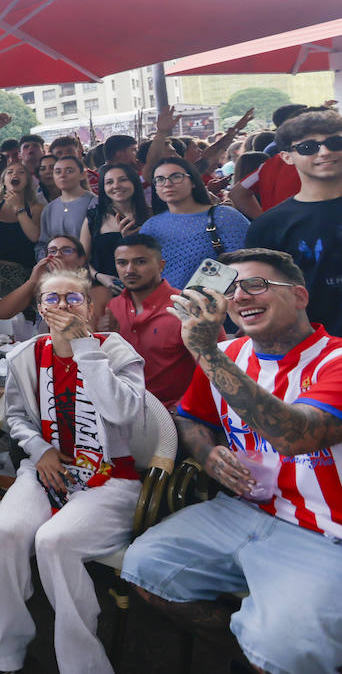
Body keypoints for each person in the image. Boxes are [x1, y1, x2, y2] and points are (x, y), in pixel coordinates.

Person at [121, 248, 342, 674]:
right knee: (144, 568)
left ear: (300, 296)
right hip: (240, 510)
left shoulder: (334, 359)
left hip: (325, 531)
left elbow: (295, 435)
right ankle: (247, 652)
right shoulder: (234, 354)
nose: (239, 296)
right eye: (231, 288)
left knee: (290, 650)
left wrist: (208, 351)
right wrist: (207, 454)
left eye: (256, 285)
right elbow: (188, 417)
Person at [0, 270, 146, 674]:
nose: (63, 306)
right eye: (52, 299)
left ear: (91, 307)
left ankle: (83, 665)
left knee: (53, 541)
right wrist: (41, 450)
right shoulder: (26, 355)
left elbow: (123, 411)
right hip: (48, 470)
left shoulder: (115, 350)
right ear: (40, 309)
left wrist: (85, 347)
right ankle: (1, 647)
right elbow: (16, 417)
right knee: (9, 532)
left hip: (110, 478)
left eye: (73, 298)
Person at [242, 108, 342, 335]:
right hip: (313, 352)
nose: (325, 152)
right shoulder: (270, 226)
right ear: (287, 156)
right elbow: (262, 296)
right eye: (309, 147)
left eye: (335, 142)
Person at [102, 234, 201, 407]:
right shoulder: (112, 307)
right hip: (124, 409)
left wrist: (184, 408)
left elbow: (212, 368)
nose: (130, 270)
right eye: (122, 263)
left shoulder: (187, 306)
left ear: (161, 265)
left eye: (140, 262)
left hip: (178, 411)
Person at [142, 156, 250, 290]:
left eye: (176, 177)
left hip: (219, 305)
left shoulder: (225, 217)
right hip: (166, 307)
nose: (167, 184)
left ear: (193, 181)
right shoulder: (150, 227)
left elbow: (248, 265)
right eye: (160, 179)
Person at [0, 235, 112, 329]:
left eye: (66, 250)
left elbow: (87, 328)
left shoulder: (98, 291)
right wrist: (32, 281)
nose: (58, 255)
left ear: (81, 260)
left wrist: (64, 281)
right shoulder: (41, 289)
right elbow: (0, 313)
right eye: (52, 251)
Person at [0, 158, 44, 300]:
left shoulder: (36, 208)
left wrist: (18, 208)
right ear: (3, 181)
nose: (15, 175)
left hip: (21, 273)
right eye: (10, 172)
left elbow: (34, 236)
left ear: (28, 181)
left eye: (20, 172)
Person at [81, 163, 152, 288]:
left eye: (123, 180)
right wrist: (99, 276)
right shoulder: (94, 218)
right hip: (104, 290)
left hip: (146, 288)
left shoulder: (151, 216)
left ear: (134, 182)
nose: (116, 186)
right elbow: (81, 260)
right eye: (109, 182)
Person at [38, 155, 96, 251]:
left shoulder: (94, 204)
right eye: (58, 172)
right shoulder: (49, 209)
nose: (62, 175)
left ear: (82, 175)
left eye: (69, 171)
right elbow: (42, 244)